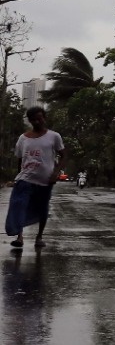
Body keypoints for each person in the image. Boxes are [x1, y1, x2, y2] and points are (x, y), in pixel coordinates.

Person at [7, 106, 65, 250]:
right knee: (19, 205)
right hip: (25, 179)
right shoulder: (23, 138)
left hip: (45, 181)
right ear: (30, 121)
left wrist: (56, 173)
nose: (37, 121)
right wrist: (17, 177)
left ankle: (39, 237)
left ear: (44, 117)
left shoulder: (54, 136)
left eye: (39, 118)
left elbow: (64, 155)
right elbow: (20, 159)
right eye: (33, 119)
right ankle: (19, 237)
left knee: (42, 209)